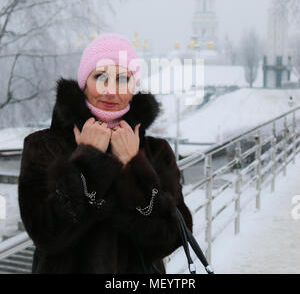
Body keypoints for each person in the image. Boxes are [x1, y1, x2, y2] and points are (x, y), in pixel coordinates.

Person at [18, 33, 193, 274]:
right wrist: (87, 161)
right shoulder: (45, 146)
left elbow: (170, 238)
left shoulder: (156, 152)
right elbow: (46, 234)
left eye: (123, 79)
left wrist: (134, 166)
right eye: (100, 77)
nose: (111, 91)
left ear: (134, 88)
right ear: (84, 83)